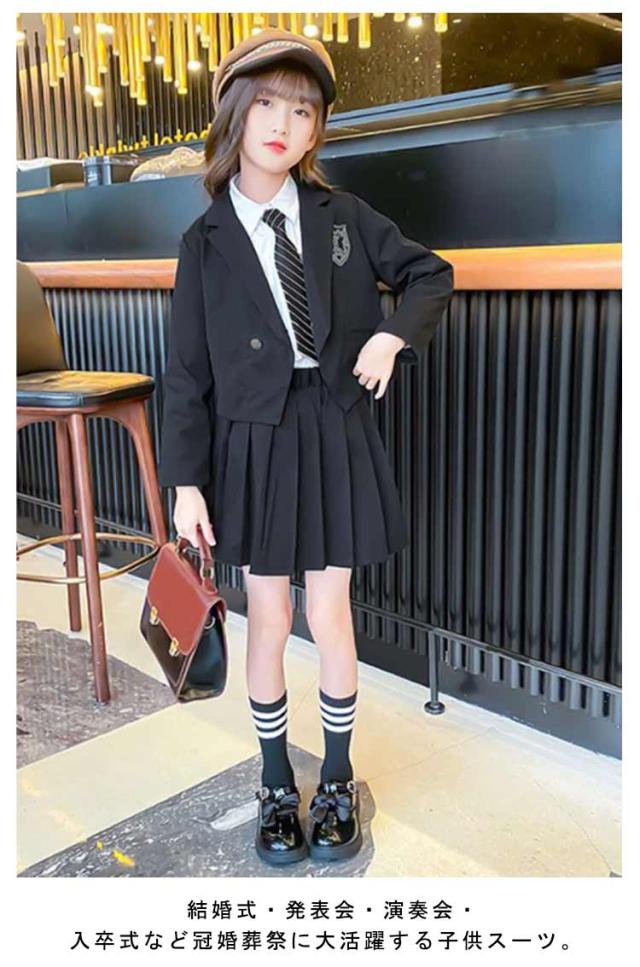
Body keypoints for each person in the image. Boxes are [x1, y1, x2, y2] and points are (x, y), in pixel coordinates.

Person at [158, 27, 454, 866]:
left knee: (329, 612)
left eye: (302, 110)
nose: (283, 124)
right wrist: (186, 483)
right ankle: (274, 784)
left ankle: (337, 780)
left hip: (333, 427)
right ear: (235, 115)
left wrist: (392, 336)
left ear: (317, 127)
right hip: (251, 441)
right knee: (270, 617)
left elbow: (430, 274)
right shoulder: (204, 241)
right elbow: (185, 373)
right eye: (266, 105)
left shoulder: (341, 216)